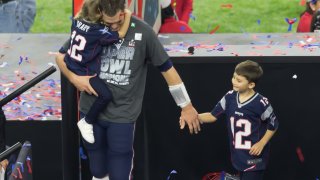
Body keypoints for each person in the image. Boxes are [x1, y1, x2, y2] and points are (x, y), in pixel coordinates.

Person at [55, 0, 201, 179]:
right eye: (109, 24)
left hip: (123, 113)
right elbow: (61, 56)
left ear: (124, 10)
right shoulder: (91, 27)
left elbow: (167, 69)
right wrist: (74, 79)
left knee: (120, 166)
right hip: (90, 109)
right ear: (100, 12)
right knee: (98, 170)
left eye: (119, 20)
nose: (115, 27)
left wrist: (186, 106)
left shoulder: (143, 31)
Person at [185, 60, 279, 180]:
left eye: (239, 80)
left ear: (251, 84)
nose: (234, 82)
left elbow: (274, 124)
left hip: (255, 159)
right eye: (234, 77)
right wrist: (193, 117)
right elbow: (212, 116)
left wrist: (261, 143)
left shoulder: (261, 103)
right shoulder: (229, 97)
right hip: (239, 155)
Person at [61, 0, 131, 144]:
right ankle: (86, 122)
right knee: (106, 95)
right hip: (83, 71)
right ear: (99, 13)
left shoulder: (76, 20)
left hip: (70, 62)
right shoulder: (98, 32)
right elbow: (121, 33)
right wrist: (128, 15)